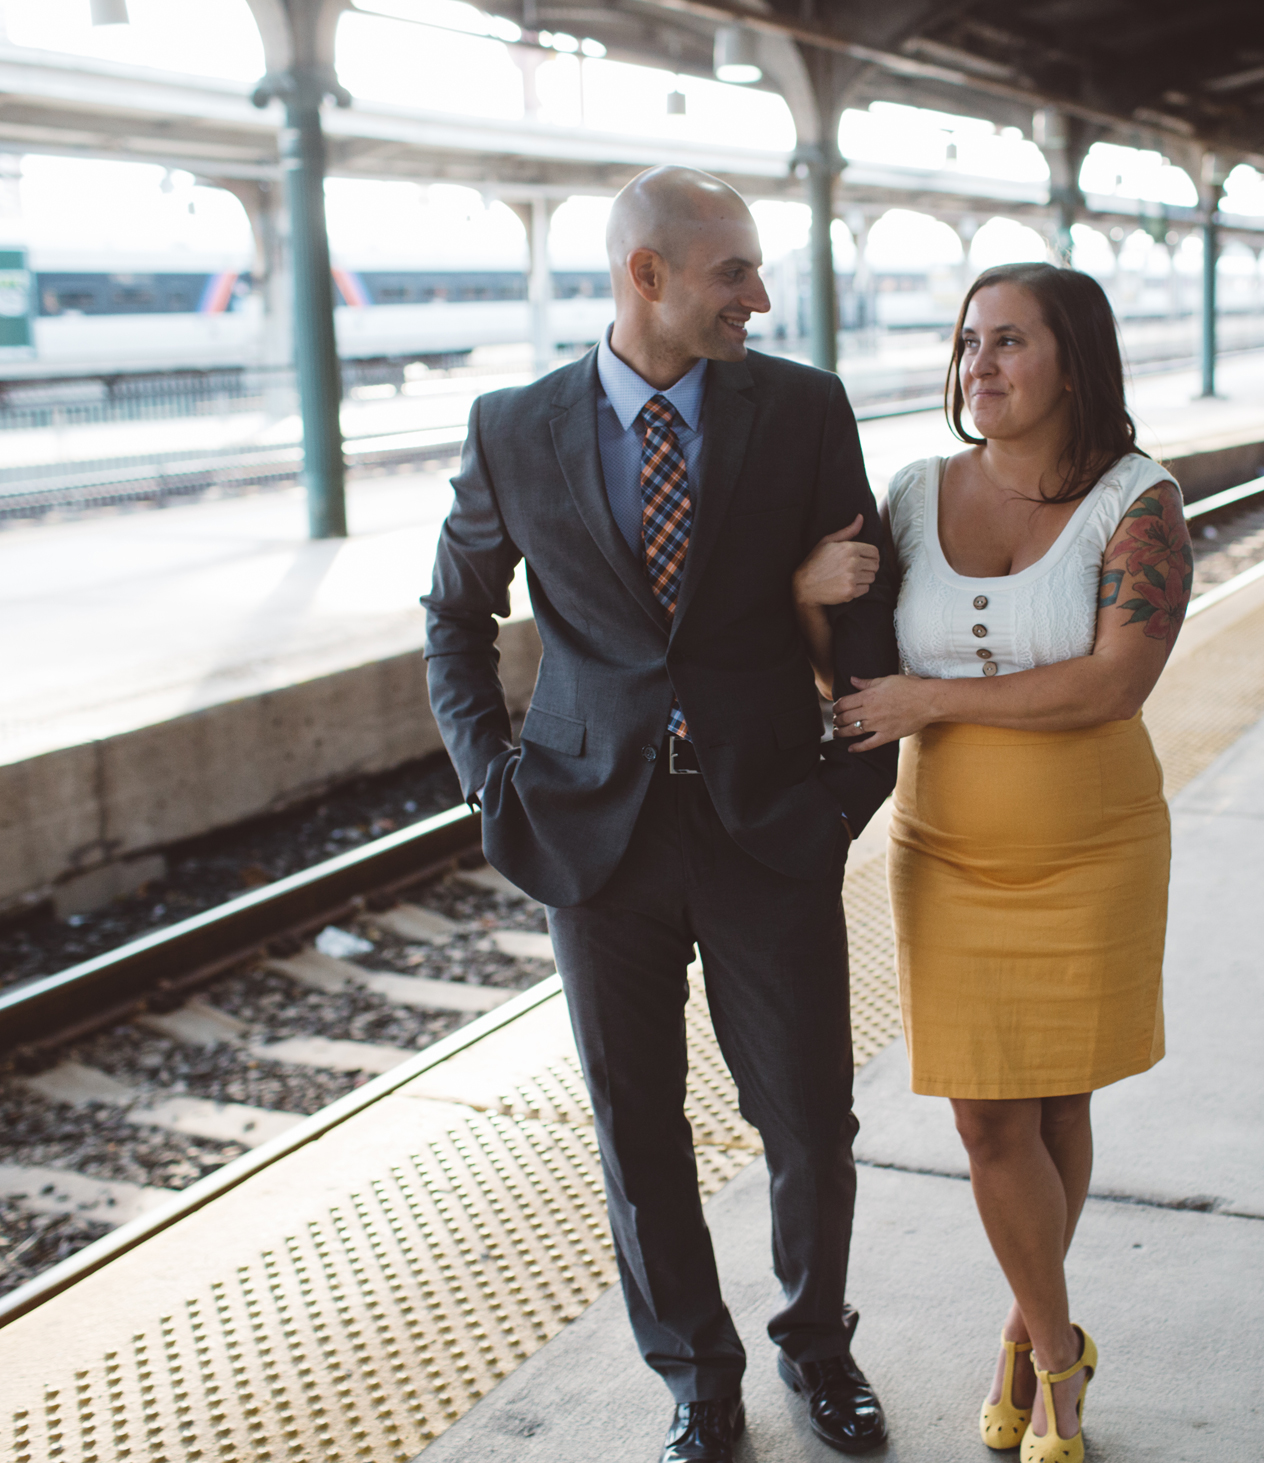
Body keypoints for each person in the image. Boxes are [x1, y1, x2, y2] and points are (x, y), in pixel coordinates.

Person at [421, 166, 900, 1463]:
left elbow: (861, 615)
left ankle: (817, 1343)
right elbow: (452, 620)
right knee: (636, 1129)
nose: (758, 294)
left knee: (807, 1116)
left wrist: (846, 791)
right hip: (594, 835)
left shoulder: (800, 408)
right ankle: (697, 1373)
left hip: (767, 824)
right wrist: (489, 780)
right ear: (649, 276)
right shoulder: (512, 427)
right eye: (733, 271)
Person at [796, 262, 1190, 1463]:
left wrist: (938, 695)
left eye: (1010, 341)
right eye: (969, 341)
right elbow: (849, 683)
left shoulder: (1141, 499)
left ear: (1074, 358)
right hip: (949, 851)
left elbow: (1116, 680)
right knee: (986, 1121)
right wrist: (805, 600)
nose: (981, 365)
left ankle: (1029, 1338)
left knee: (1056, 1099)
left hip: (1094, 847)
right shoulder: (912, 496)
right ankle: (1063, 1348)